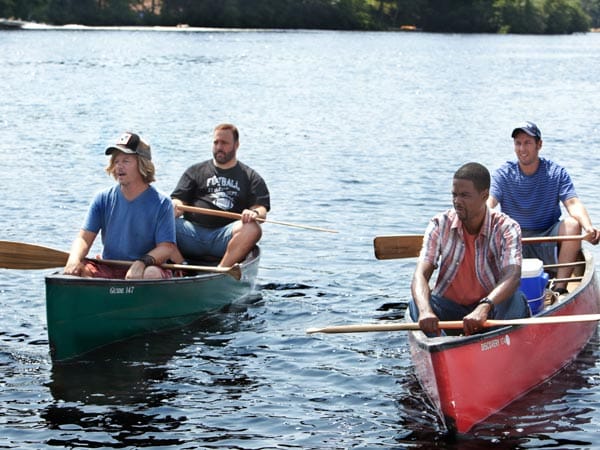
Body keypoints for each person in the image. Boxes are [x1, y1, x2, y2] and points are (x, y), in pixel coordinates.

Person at [410, 162, 530, 337]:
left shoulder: (507, 227)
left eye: (465, 195)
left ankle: (494, 343)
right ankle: (442, 346)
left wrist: (484, 306)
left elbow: (512, 276)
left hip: (489, 310)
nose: (457, 201)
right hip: (449, 309)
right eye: (454, 195)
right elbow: (420, 274)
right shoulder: (439, 224)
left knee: (516, 300)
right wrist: (425, 311)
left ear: (484, 196)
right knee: (416, 303)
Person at [487, 121, 600, 295]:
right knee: (489, 222)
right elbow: (489, 201)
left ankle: (560, 288)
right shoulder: (503, 174)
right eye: (518, 143)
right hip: (515, 238)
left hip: (547, 235)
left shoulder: (556, 172)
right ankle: (494, 286)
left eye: (527, 143)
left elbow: (573, 203)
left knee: (572, 225)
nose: (522, 149)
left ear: (539, 145)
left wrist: (588, 227)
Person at [64, 132, 178, 279]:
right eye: (116, 161)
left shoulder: (162, 203)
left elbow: (166, 247)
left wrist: (141, 263)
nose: (119, 166)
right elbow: (84, 238)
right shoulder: (102, 198)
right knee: (80, 271)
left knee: (152, 273)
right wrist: (73, 260)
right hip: (109, 266)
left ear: (142, 164)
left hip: (145, 268)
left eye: (126, 161)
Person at [171, 123, 270, 267]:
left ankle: (221, 271)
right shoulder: (195, 171)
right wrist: (175, 206)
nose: (219, 147)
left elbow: (261, 211)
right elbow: (179, 201)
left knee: (253, 228)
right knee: (162, 219)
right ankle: (181, 265)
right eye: (216, 142)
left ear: (236, 145)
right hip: (191, 234)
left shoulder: (251, 177)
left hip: (225, 237)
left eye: (224, 143)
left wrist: (253, 213)